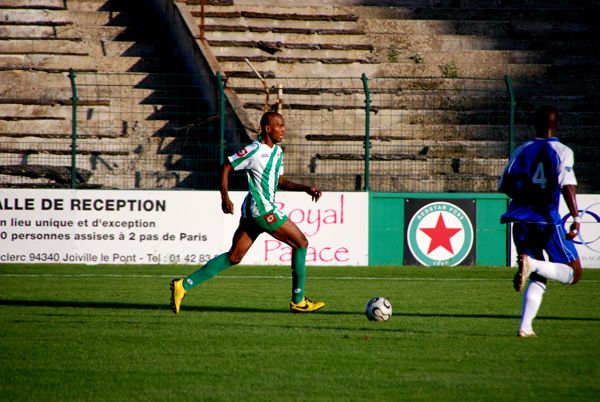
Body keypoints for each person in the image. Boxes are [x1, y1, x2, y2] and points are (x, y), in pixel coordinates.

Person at [170, 112, 325, 314]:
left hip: (252, 212)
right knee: (301, 243)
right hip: (262, 210)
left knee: (234, 257)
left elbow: (280, 181)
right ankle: (298, 300)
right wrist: (224, 196)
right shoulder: (254, 150)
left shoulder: (277, 152)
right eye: (280, 126)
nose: (283, 129)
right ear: (268, 129)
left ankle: (184, 285)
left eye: (284, 125)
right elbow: (225, 166)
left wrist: (305, 188)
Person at [498, 105, 582, 337]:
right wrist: (575, 217)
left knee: (539, 275)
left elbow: (504, 184)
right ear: (557, 125)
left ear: (535, 124)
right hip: (546, 219)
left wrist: (525, 198)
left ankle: (525, 327)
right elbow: (567, 184)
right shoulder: (562, 151)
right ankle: (531, 264)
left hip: (521, 219)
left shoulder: (521, 150)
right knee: (574, 273)